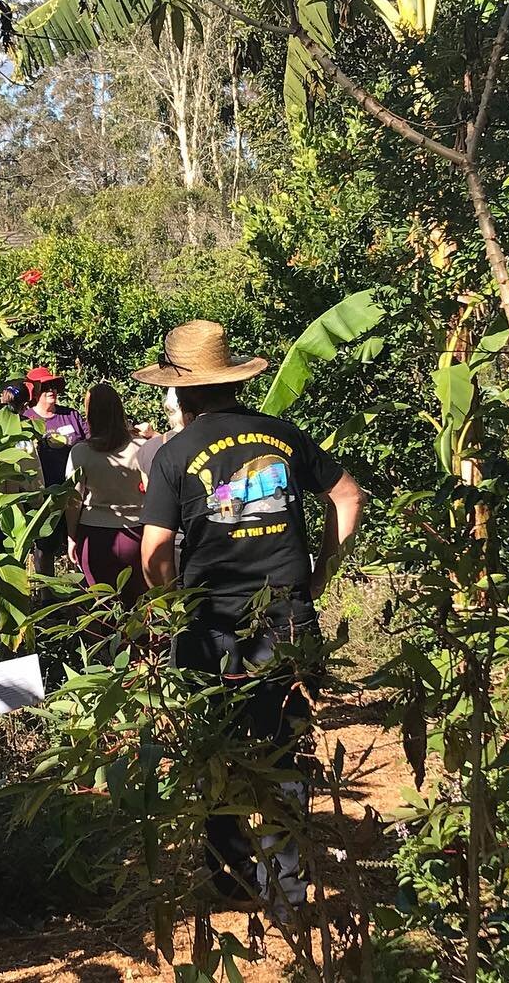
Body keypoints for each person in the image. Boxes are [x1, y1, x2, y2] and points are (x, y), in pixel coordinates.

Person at [135, 320, 364, 917]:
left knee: (220, 747)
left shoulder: (174, 454)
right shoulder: (283, 435)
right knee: (288, 743)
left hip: (212, 628)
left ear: (182, 392)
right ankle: (287, 882)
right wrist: (322, 573)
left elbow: (155, 551)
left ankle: (234, 879)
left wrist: (171, 609)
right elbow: (348, 495)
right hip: (288, 619)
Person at [65, 383, 148, 610]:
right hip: (136, 533)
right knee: (137, 603)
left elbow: (73, 500)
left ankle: (102, 645)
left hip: (95, 535)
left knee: (101, 604)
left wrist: (72, 535)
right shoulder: (141, 447)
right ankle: (138, 644)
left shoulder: (80, 452)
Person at [23, 366, 89, 577]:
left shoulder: (70, 415)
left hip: (74, 493)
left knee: (79, 541)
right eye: (45, 386)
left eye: (54, 385)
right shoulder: (25, 420)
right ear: (34, 391)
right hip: (43, 495)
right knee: (44, 547)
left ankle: (85, 593)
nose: (51, 390)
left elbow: (91, 441)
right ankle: (47, 599)